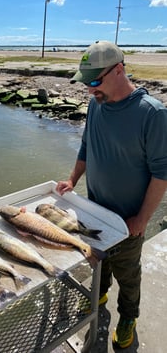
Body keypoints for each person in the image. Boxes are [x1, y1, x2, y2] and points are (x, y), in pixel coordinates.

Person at [56, 40, 167, 349]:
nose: (90, 89)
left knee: (128, 275)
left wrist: (142, 218)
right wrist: (72, 179)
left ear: (118, 70)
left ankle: (129, 316)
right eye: (86, 82)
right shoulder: (97, 102)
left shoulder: (153, 115)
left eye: (95, 81)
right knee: (98, 262)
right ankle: (98, 295)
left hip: (128, 221)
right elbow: (87, 145)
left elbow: (162, 173)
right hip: (93, 211)